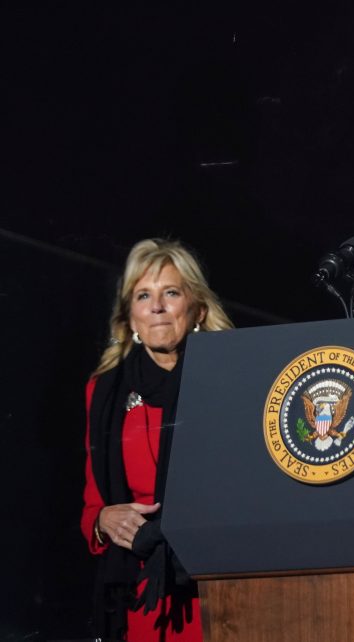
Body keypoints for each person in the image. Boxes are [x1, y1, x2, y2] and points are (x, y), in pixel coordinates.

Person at [81, 238, 233, 641]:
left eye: (171, 292)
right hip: (137, 593)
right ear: (130, 317)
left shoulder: (230, 379)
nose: (157, 307)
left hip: (211, 588)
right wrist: (102, 521)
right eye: (143, 295)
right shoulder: (104, 392)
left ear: (197, 308)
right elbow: (93, 503)